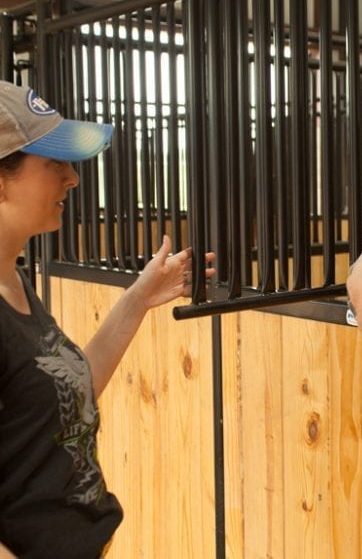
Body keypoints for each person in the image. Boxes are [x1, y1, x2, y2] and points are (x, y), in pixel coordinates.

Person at [0, 80, 215, 558]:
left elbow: (65, 394)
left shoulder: (16, 284)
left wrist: (137, 298)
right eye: (52, 163)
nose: (72, 178)